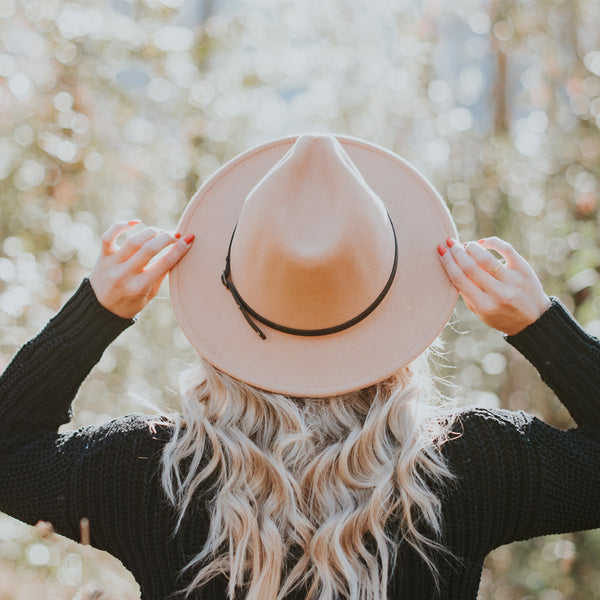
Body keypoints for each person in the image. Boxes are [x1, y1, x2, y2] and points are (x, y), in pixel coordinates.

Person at [0, 134, 598, 600]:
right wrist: (540, 324)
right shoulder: (468, 466)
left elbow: (7, 451)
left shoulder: (150, 473)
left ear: (227, 300)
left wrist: (98, 311)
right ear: (392, 300)